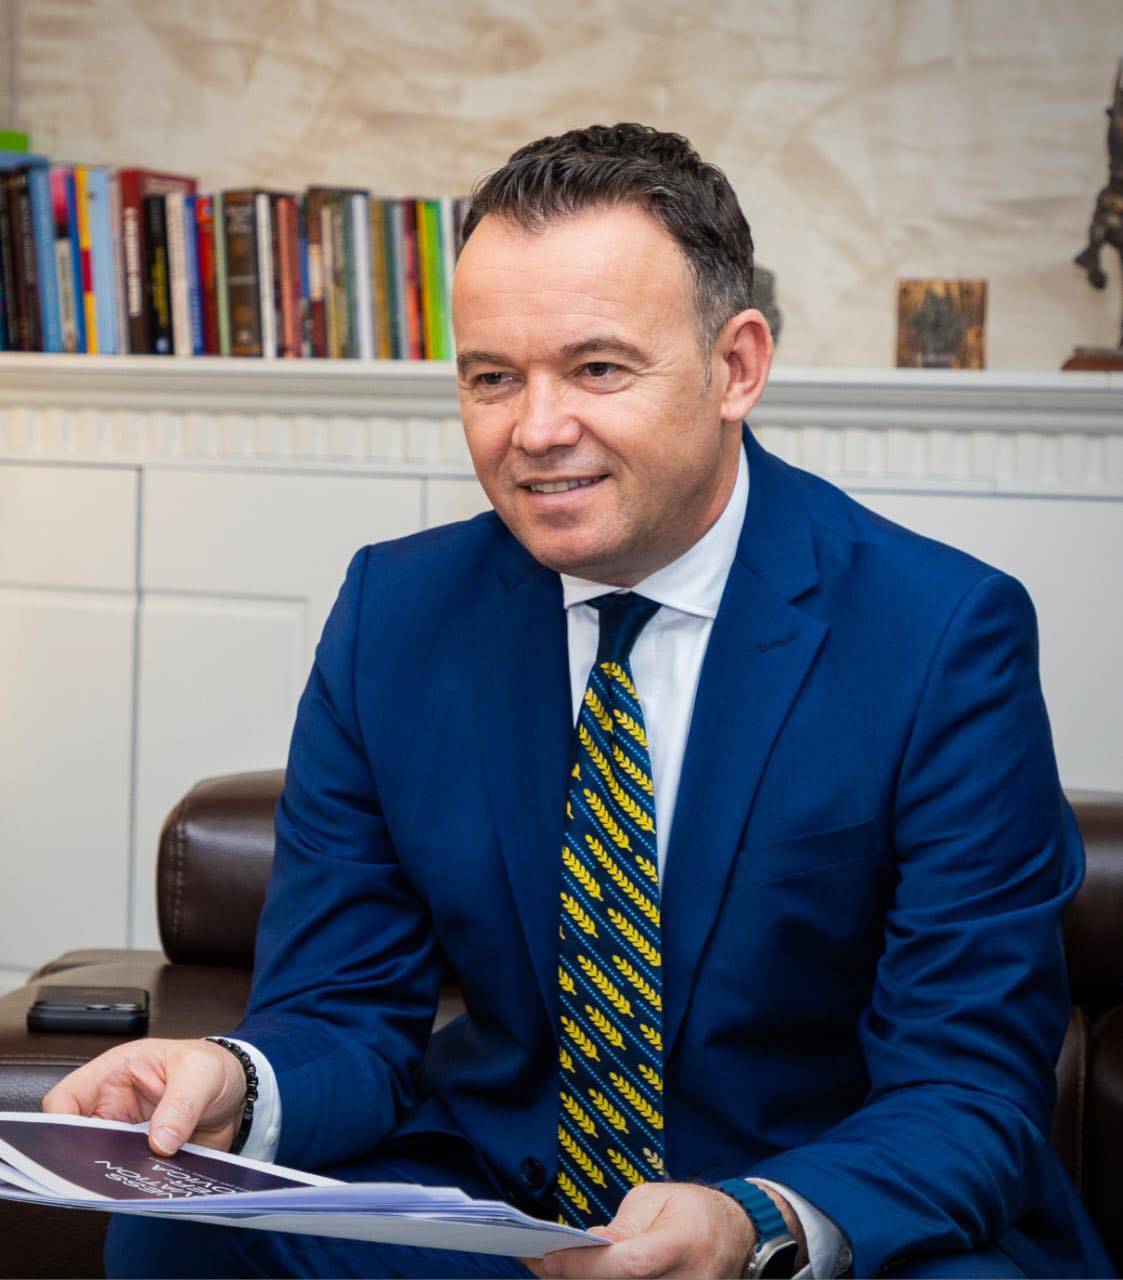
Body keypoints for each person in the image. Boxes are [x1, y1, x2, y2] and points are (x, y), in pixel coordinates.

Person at [44, 124, 1110, 1280]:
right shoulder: (393, 616)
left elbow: (967, 1083)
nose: (536, 429)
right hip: (508, 1215)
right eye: (492, 376)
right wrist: (237, 1079)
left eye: (597, 368)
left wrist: (749, 1222)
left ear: (736, 366)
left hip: (810, 1212)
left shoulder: (939, 632)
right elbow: (341, 1008)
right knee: (173, 1226)